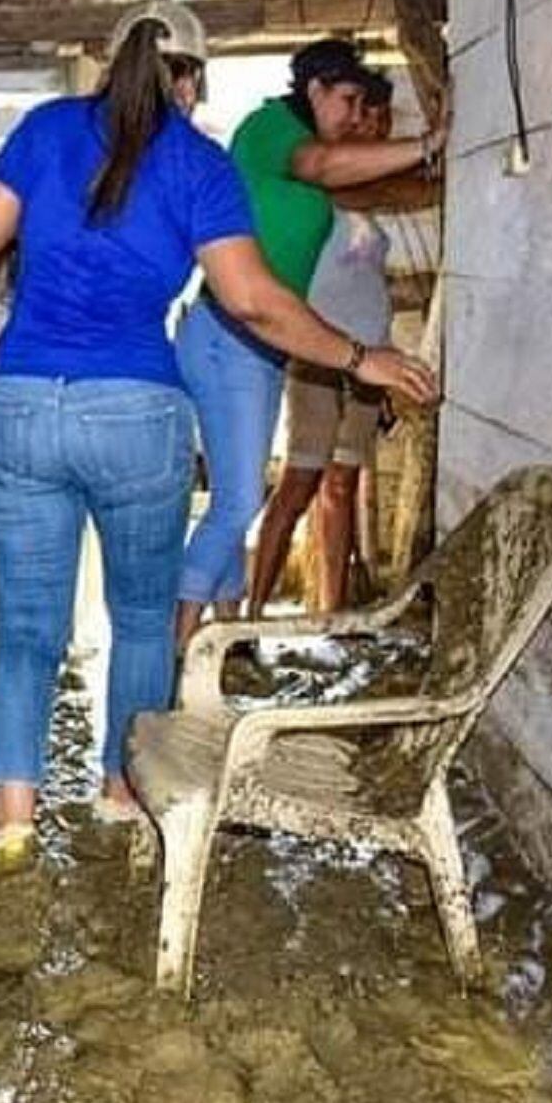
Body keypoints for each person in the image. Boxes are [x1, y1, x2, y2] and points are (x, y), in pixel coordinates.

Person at [0, 1, 438, 862]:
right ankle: (118, 794)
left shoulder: (47, 128)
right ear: (193, 79)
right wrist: (361, 357)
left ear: (114, 65)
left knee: (27, 632)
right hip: (136, 411)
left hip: (20, 404)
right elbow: (251, 299)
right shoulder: (200, 163)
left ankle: (13, 826)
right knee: (142, 622)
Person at [173, 39, 446, 648]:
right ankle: (185, 646)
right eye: (347, 100)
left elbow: (363, 187)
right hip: (230, 334)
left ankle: (228, 634)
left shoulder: (308, 157)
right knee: (241, 500)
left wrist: (441, 166)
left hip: (262, 345)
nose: (356, 116)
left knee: (234, 499)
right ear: (315, 89)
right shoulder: (272, 130)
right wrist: (428, 144)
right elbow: (324, 168)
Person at [246, 69, 436, 617]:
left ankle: (330, 617)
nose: (369, 124)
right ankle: (253, 613)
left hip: (370, 355)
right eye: (362, 112)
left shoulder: (362, 190)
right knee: (300, 481)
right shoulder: (322, 175)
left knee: (342, 484)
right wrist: (439, 171)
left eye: (378, 116)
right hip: (319, 353)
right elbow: (380, 187)